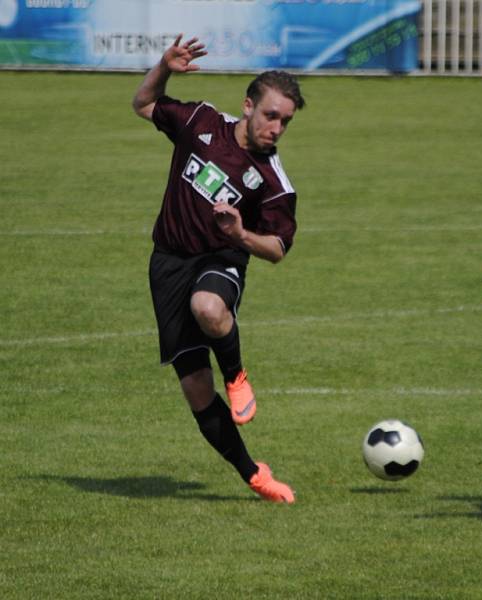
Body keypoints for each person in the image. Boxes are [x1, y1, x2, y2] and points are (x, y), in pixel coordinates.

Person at [132, 34, 305, 503]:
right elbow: (143, 104)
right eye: (271, 115)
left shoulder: (273, 181)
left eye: (286, 122)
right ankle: (253, 473)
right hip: (167, 263)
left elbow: (277, 249)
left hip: (220, 261)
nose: (277, 128)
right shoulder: (200, 121)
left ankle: (237, 375)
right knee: (195, 391)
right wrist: (164, 67)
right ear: (248, 106)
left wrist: (240, 236)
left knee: (208, 308)